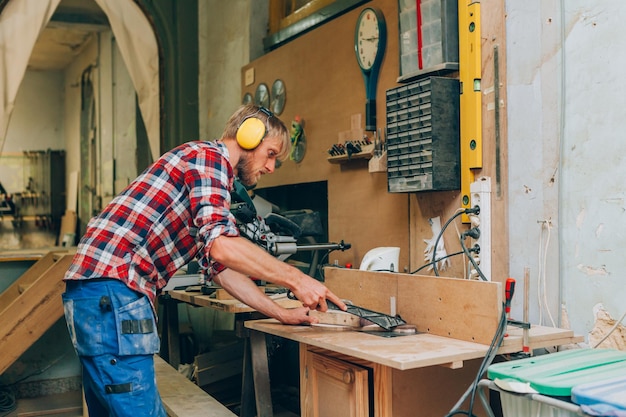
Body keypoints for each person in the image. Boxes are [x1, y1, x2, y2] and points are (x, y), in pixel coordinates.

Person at [62, 104, 347, 416]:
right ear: (249, 136)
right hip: (114, 292)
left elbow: (220, 269)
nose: (272, 168)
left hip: (97, 294)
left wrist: (281, 312)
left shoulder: (207, 175)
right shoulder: (208, 159)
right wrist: (299, 279)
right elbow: (222, 247)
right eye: (271, 154)